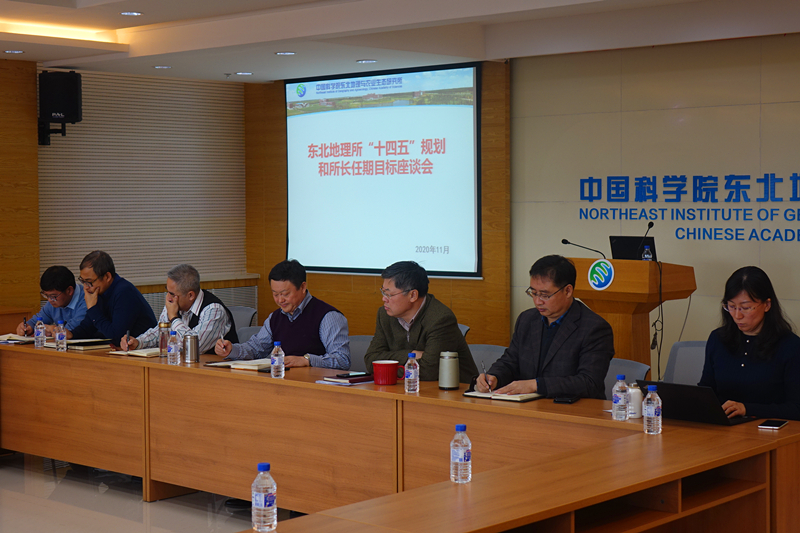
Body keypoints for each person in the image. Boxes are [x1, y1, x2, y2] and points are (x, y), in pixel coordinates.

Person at [476, 255, 613, 398]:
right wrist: (494, 377)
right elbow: (510, 361)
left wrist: (536, 385)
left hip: (573, 408)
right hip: (527, 405)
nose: (537, 301)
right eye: (533, 293)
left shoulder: (594, 328)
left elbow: (589, 382)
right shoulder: (527, 319)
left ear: (568, 291)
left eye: (545, 295)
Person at [699, 266, 800, 420]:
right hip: (724, 427)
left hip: (768, 429)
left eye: (745, 308)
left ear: (767, 305)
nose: (737, 315)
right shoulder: (718, 339)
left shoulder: (790, 346)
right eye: (731, 306)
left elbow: (796, 408)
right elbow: (706, 391)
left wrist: (747, 409)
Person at [215, 259, 350, 369]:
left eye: (285, 294)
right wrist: (231, 349)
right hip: (283, 382)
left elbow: (342, 360)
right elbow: (255, 349)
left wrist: (306, 360)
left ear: (303, 287)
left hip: (316, 386)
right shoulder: (275, 318)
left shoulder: (328, 316)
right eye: (275, 294)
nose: (280, 300)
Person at [364, 261, 477, 382]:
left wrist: (385, 368)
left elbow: (428, 371)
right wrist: (411, 354)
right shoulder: (385, 315)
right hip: (406, 388)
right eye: (383, 292)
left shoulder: (440, 319)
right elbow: (371, 360)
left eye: (389, 294)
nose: (384, 299)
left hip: (452, 390)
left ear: (413, 295)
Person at [120, 264, 238, 354]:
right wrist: (138, 342)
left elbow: (196, 346)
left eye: (172, 294)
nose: (168, 298)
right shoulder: (175, 303)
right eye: (167, 291)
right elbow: (160, 333)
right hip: (183, 365)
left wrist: (174, 318)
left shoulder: (214, 310)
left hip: (215, 370)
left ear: (190, 295)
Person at [67, 251, 157, 346]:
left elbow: (116, 336)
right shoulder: (100, 291)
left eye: (89, 282)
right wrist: (71, 334)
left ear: (107, 277)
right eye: (83, 281)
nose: (85, 287)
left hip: (141, 349)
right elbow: (88, 326)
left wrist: (92, 309)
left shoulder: (124, 292)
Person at [17, 266, 87, 337]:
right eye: (46, 295)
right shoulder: (54, 301)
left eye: (53, 296)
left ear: (69, 290)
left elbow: (72, 331)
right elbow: (37, 321)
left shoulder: (87, 300)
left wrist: (51, 329)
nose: (49, 300)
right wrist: (28, 327)